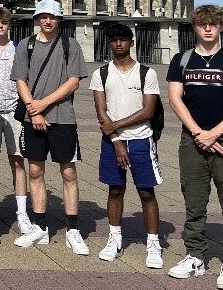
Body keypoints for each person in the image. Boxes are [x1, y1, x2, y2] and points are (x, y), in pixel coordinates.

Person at [166, 4, 223, 290]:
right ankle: (195, 256)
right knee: (193, 202)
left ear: (221, 28)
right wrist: (197, 133)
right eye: (202, 24)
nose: (207, 29)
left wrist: (213, 134)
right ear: (194, 28)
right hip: (192, 142)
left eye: (213, 24)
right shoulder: (182, 60)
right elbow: (175, 99)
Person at [10, 0, 90, 255]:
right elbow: (20, 80)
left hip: (62, 116)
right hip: (32, 117)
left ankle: (73, 228)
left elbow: (74, 81)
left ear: (59, 20)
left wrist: (42, 104)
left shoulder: (70, 44)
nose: (48, 21)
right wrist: (34, 109)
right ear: (37, 19)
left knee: (68, 172)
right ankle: (40, 225)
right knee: (35, 170)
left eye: (52, 17)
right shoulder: (26, 45)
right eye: (43, 17)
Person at [90, 22, 163, 269]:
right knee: (115, 190)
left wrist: (116, 126)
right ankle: (114, 238)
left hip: (141, 139)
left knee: (146, 192)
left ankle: (153, 243)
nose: (119, 43)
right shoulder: (100, 74)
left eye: (123, 39)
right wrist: (117, 140)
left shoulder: (146, 73)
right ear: (109, 44)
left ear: (131, 42)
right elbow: (102, 113)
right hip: (113, 143)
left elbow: (148, 110)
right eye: (114, 40)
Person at [0, 6, 32, 234]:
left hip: (14, 112)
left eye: (4, 22)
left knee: (17, 161)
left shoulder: (18, 50)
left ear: (9, 26)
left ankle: (22, 213)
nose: (1, 26)